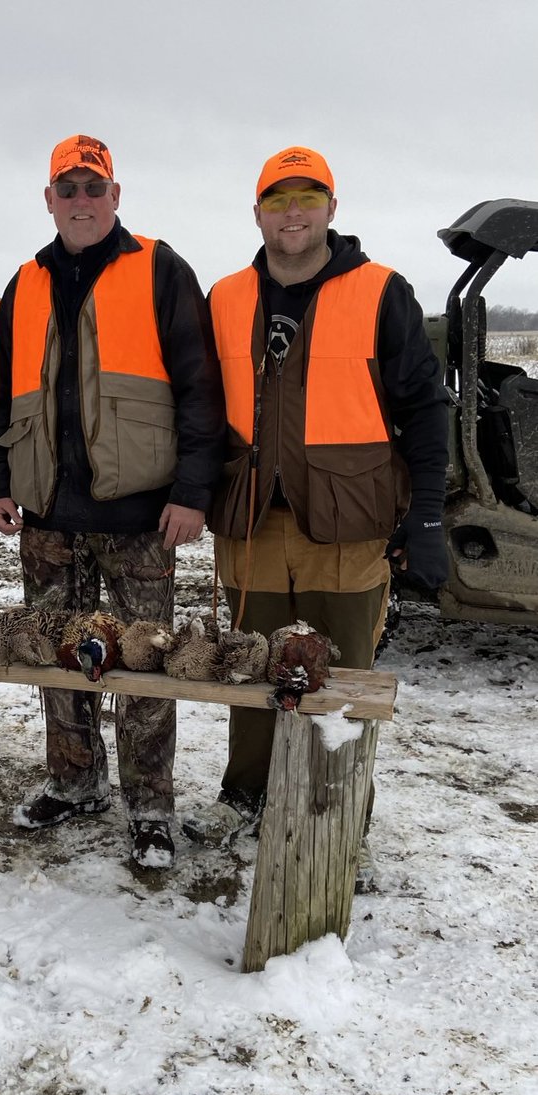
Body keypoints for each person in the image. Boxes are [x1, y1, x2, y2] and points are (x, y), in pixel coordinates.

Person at [202, 145, 449, 861]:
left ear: (332, 209)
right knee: (251, 667)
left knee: (337, 679)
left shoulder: (381, 292)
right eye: (277, 199)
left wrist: (427, 517)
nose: (293, 212)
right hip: (249, 520)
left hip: (348, 524)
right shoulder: (224, 298)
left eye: (308, 197)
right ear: (256, 213)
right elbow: (199, 410)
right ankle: (246, 796)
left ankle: (336, 816)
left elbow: (425, 409)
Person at [0, 134, 225, 869]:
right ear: (49, 199)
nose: (81, 200)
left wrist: (192, 493)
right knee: (57, 661)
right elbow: (0, 393)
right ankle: (74, 782)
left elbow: (199, 388)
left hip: (140, 516)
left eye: (94, 187)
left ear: (115, 195)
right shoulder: (25, 283)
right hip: (48, 518)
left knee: (145, 667)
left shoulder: (158, 267)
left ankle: (149, 807)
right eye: (68, 188)